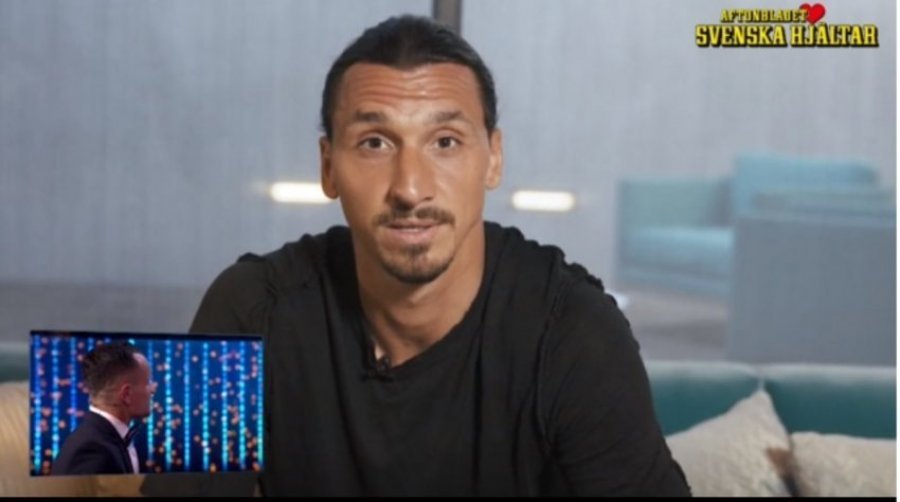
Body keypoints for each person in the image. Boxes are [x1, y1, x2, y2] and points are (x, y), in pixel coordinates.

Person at [150, 14, 690, 496]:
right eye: (375, 143)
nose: (410, 188)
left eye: (445, 142)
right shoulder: (249, 310)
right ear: (328, 167)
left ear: (493, 158)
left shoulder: (572, 332)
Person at [51, 342, 156, 476]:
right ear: (126, 394)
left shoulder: (103, 439)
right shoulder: (93, 452)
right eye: (148, 382)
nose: (153, 389)